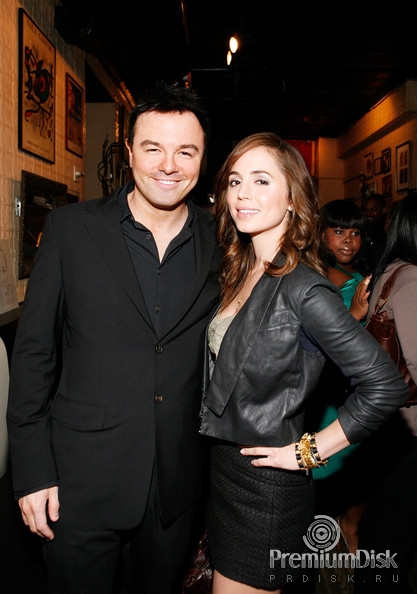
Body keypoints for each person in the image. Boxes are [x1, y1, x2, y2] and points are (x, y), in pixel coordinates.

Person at [6, 82, 221, 594]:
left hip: (176, 487)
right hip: (78, 483)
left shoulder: (223, 239)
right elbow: (34, 356)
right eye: (153, 148)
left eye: (185, 151)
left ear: (202, 158)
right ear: (129, 152)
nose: (168, 165)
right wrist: (32, 471)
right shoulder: (70, 230)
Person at [198, 132, 408, 594]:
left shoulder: (303, 287)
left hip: (266, 488)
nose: (243, 194)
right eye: (235, 181)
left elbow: (385, 385)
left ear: (293, 198)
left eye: (261, 180)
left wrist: (308, 452)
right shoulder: (242, 269)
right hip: (227, 474)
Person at [354, 193, 417, 594]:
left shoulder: (389, 271)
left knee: (385, 531)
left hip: (384, 427)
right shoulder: (413, 279)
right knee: (394, 535)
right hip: (410, 430)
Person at [310, 200, 371, 558]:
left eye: (355, 232)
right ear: (321, 235)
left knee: (353, 467)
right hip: (318, 391)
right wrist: (354, 314)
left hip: (349, 392)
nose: (348, 239)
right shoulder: (310, 276)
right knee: (317, 467)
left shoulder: (361, 282)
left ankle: (349, 532)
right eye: (338, 231)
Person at [362, 193, 387, 271]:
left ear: (383, 210)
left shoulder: (387, 236)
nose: (368, 214)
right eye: (366, 210)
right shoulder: (362, 233)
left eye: (373, 210)